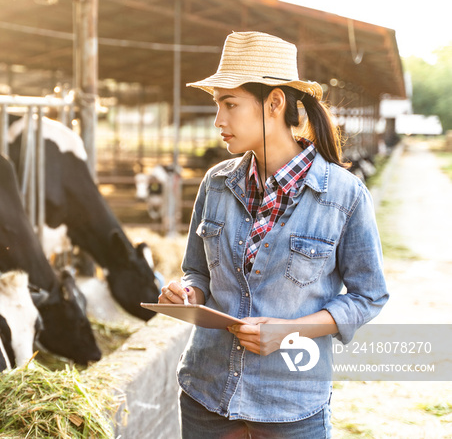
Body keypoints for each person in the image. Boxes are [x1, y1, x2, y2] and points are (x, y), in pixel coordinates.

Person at [158, 31, 389, 438]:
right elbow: (196, 271)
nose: (219, 120)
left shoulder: (343, 195)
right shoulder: (216, 183)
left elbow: (368, 297)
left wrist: (290, 330)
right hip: (205, 395)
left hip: (291, 406)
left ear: (275, 104)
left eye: (230, 104)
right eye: (217, 105)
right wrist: (188, 294)